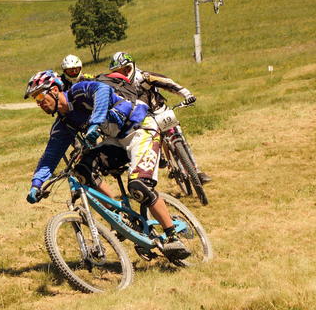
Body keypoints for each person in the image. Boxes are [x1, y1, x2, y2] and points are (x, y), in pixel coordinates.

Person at [23, 70, 191, 260]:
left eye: (39, 96)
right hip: (116, 140)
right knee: (82, 170)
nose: (38, 102)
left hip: (141, 129)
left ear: (54, 90)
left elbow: (102, 91)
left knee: (139, 186)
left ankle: (172, 237)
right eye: (34, 100)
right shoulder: (64, 122)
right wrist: (36, 183)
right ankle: (121, 216)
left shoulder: (79, 91)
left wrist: (95, 122)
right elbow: (51, 155)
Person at [109, 51, 211, 184]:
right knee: (149, 141)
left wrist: (187, 94)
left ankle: (196, 170)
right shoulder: (117, 87)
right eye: (119, 72)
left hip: (160, 110)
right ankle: (164, 161)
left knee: (179, 136)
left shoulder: (144, 77)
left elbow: (167, 83)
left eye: (126, 69)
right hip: (143, 120)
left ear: (132, 66)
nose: (124, 73)